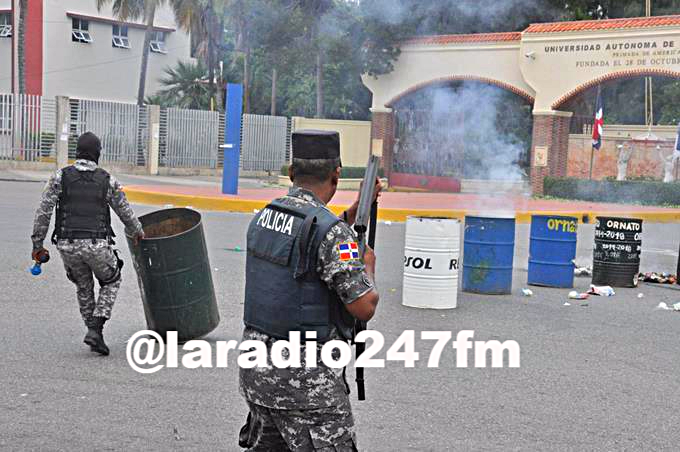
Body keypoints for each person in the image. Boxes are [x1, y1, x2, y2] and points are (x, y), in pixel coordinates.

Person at [239, 130, 381, 451]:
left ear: (291, 173)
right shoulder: (336, 238)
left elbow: (314, 236)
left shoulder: (265, 217)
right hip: (306, 388)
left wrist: (358, 208)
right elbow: (364, 305)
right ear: (337, 174)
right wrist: (368, 263)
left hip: (257, 377)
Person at [30, 132, 144, 356]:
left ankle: (94, 333)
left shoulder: (59, 177)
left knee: (83, 286)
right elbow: (125, 212)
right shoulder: (107, 180)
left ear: (77, 152)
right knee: (112, 280)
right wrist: (137, 231)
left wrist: (37, 244)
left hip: (67, 246)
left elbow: (43, 212)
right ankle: (96, 328)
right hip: (96, 245)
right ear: (97, 154)